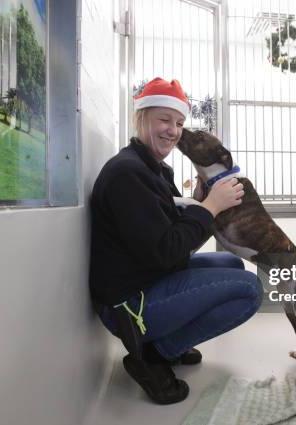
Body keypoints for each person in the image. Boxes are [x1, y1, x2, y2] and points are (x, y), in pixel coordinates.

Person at [89, 77, 263, 405]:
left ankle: (170, 339)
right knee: (250, 289)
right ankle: (155, 353)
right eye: (164, 120)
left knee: (231, 263)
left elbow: (170, 233)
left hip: (146, 277)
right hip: (129, 306)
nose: (173, 130)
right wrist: (211, 207)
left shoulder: (154, 169)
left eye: (179, 123)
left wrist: (198, 201)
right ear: (141, 118)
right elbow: (166, 251)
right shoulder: (128, 173)